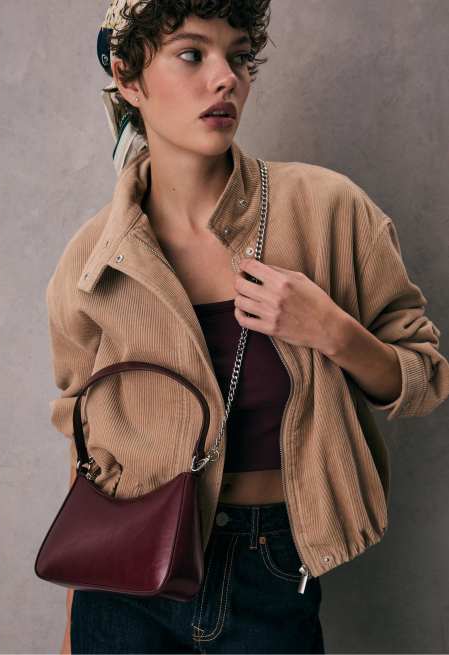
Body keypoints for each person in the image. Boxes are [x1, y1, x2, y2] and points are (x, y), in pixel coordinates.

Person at [45, 1, 449, 653]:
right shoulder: (93, 261)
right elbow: (86, 447)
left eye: (237, 56)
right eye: (191, 53)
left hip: (270, 566)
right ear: (126, 76)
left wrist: (330, 329)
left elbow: (424, 377)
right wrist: (73, 624)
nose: (224, 78)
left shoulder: (326, 211)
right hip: (122, 582)